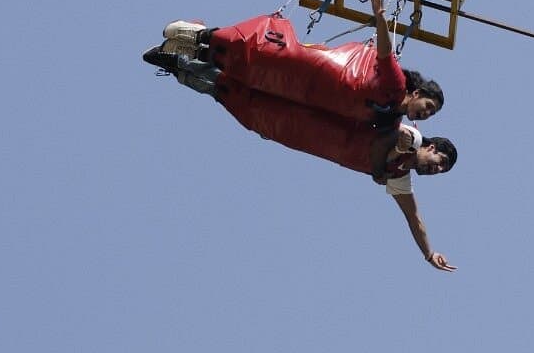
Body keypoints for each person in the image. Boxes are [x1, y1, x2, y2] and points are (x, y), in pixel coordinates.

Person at [144, 47, 459, 272]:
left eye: (440, 170)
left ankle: (181, 66)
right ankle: (200, 49)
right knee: (258, 87)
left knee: (245, 105)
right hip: (313, 114)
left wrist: (428, 253)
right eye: (439, 160)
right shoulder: (410, 135)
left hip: (304, 134)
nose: (436, 168)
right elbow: (402, 135)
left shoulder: (399, 177)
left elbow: (415, 219)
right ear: (431, 145)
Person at [157, 0, 444, 126]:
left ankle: (195, 50)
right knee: (264, 54)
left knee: (253, 76)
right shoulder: (395, 87)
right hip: (315, 71)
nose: (425, 114)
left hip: (306, 93)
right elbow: (384, 53)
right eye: (428, 106)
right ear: (416, 93)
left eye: (429, 115)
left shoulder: (387, 119)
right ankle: (202, 35)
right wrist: (380, 18)